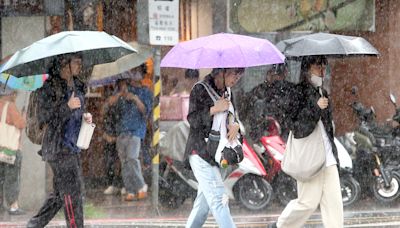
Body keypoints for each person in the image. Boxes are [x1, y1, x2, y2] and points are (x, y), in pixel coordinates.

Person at [270, 55, 343, 228]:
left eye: (324, 66)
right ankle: (280, 226)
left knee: (334, 204)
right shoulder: (297, 93)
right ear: (307, 69)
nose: (322, 70)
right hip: (310, 157)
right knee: (307, 202)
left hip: (328, 158)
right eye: (318, 66)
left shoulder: (322, 92)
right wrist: (315, 108)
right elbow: (297, 128)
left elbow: (327, 130)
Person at [27, 53, 92, 228]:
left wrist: (84, 117)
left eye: (80, 62)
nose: (79, 66)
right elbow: (44, 117)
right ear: (65, 65)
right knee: (73, 192)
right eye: (76, 62)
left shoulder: (78, 86)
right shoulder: (48, 89)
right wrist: (66, 107)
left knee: (59, 195)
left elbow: (78, 111)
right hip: (58, 148)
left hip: (74, 147)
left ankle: (34, 224)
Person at [184, 68, 244, 228]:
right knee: (219, 199)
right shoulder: (200, 89)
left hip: (218, 155)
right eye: (234, 73)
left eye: (240, 73)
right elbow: (193, 120)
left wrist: (236, 125)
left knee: (203, 207)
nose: (237, 77)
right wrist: (213, 109)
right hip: (201, 152)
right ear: (221, 72)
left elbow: (233, 116)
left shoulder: (229, 92)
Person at [113, 65, 153, 201]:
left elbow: (146, 112)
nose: (134, 74)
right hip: (121, 130)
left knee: (132, 158)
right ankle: (130, 189)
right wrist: (121, 93)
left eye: (137, 72)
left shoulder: (145, 91)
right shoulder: (124, 89)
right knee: (124, 162)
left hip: (136, 130)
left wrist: (135, 99)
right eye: (132, 71)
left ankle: (141, 186)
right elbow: (109, 104)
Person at [0, 86, 26, 215]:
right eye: (15, 93)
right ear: (10, 94)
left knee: (0, 178)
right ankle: (13, 206)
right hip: (10, 151)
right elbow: (20, 124)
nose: (16, 96)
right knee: (12, 178)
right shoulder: (10, 106)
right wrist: (23, 116)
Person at [101, 85, 123, 195]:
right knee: (109, 161)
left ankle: (119, 184)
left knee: (121, 161)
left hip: (120, 135)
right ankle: (111, 184)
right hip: (109, 135)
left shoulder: (123, 100)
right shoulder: (109, 105)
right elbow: (102, 115)